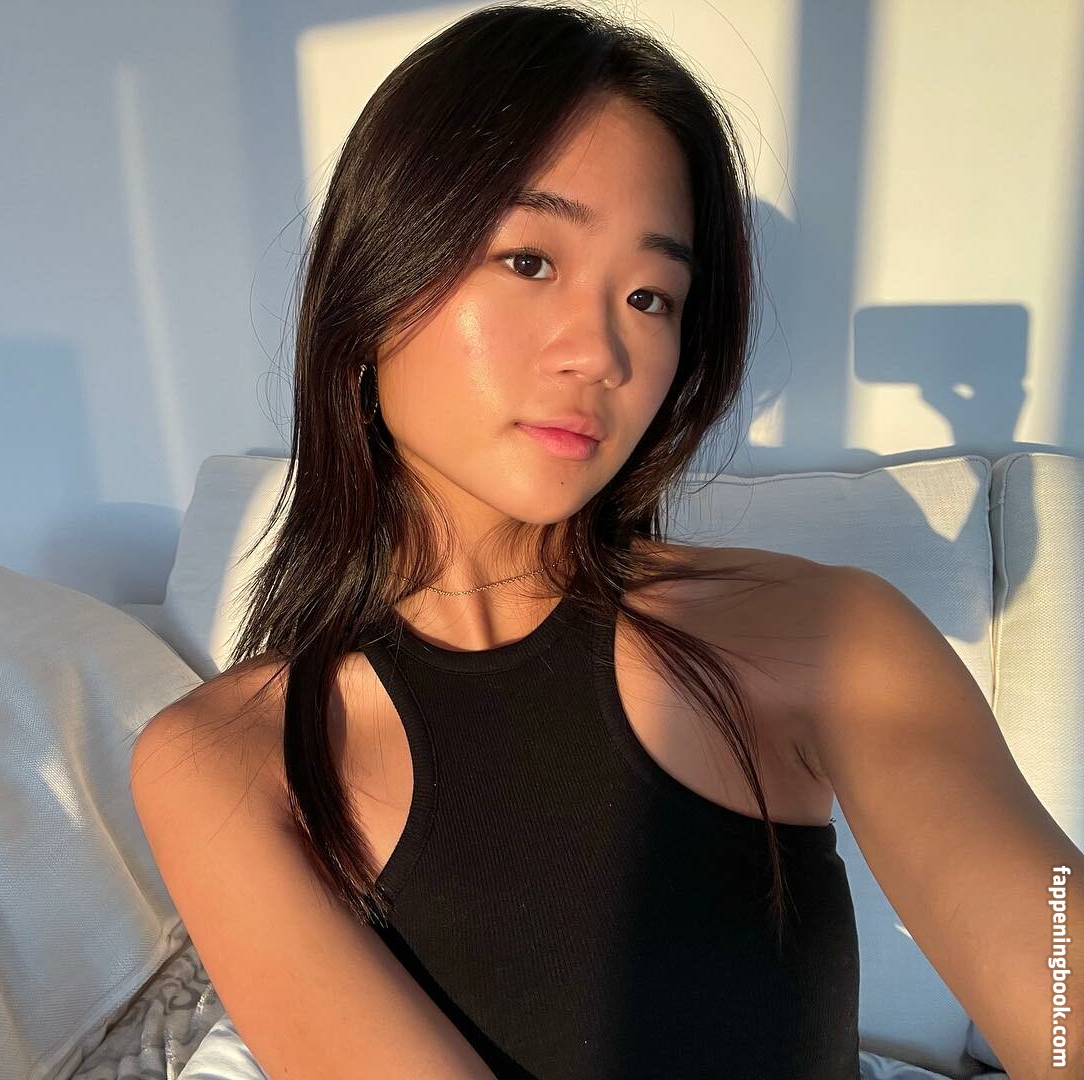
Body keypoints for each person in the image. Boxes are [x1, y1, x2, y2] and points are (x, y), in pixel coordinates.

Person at [130, 4, 1084, 1077]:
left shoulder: (826, 635)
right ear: (373, 284)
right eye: (529, 259)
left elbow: (1056, 969)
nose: (601, 350)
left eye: (649, 295)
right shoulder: (227, 758)